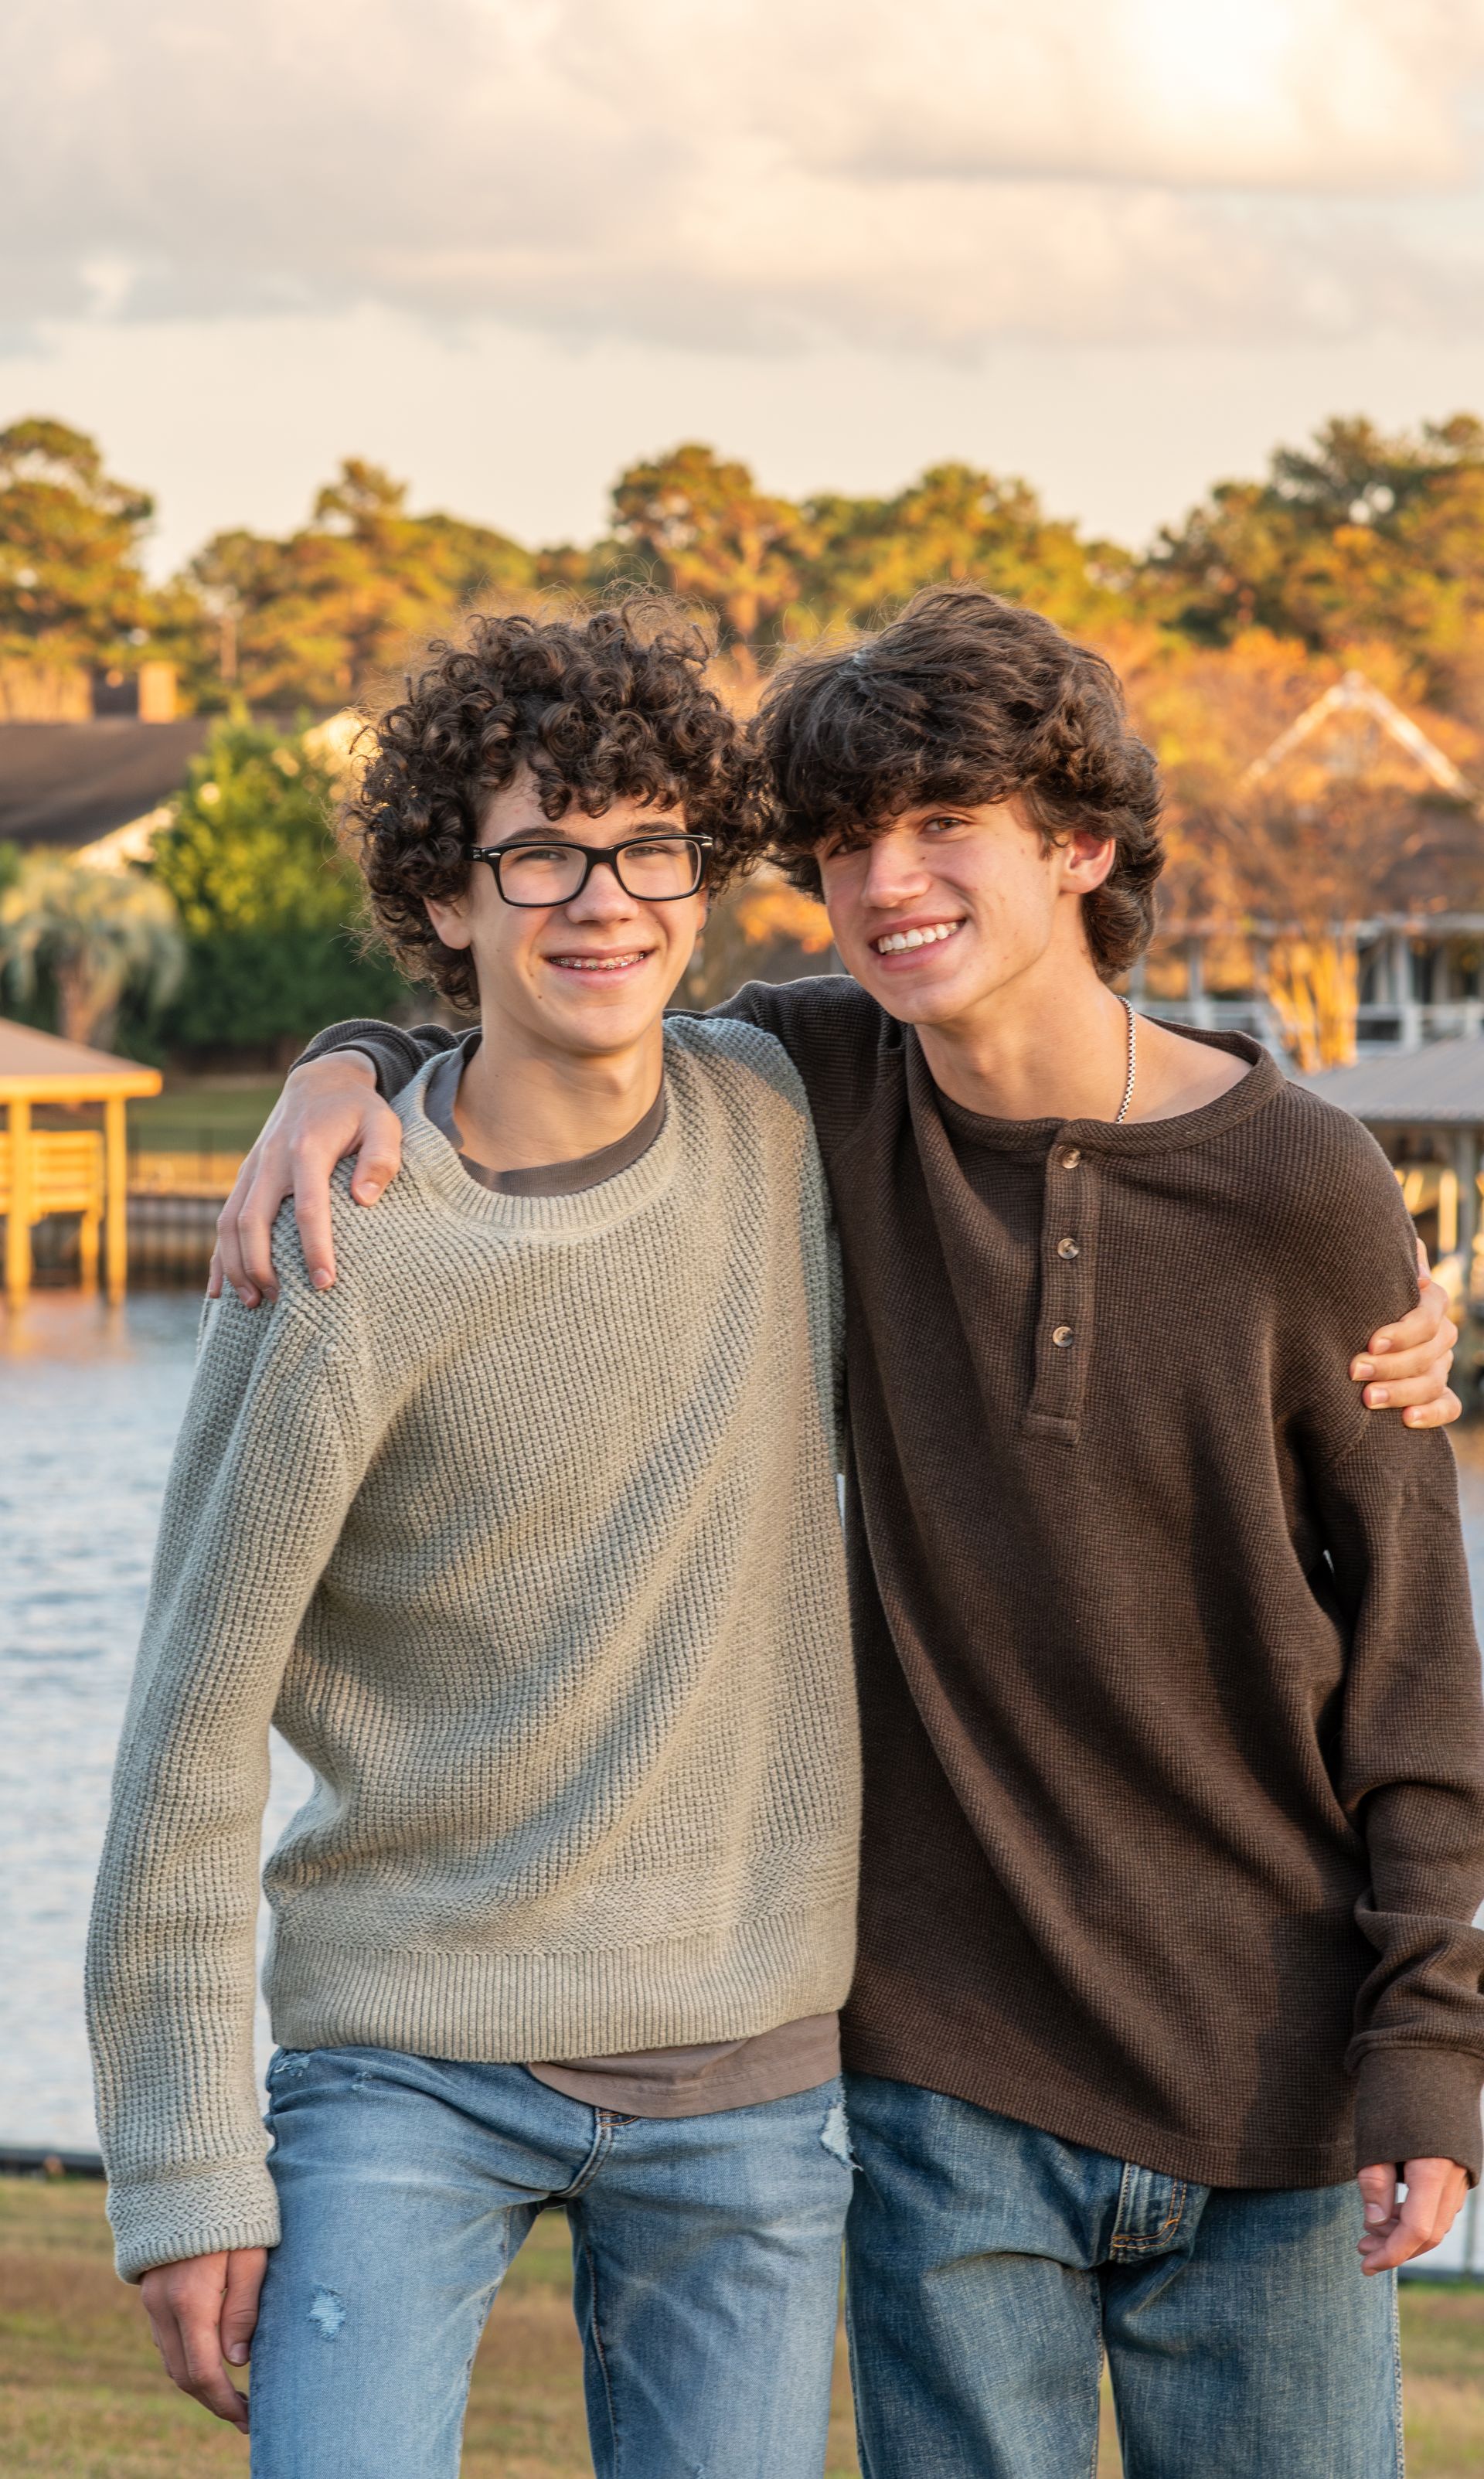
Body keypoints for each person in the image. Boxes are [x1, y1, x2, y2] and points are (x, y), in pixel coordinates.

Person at [236, 585, 1481, 2479]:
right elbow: (554, 1005)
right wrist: (338, 1066)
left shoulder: (1307, 1189)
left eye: (943, 825)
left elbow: (1414, 1667)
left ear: (1079, 846)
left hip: (1274, 2074)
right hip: (935, 2078)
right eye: (840, 844)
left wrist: (1426, 2043)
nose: (883, 879)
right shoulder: (808, 1088)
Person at [86, 604, 863, 2479]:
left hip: (751, 2068)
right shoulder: (348, 1247)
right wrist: (185, 2163)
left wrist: (1352, 1255)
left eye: (652, 847)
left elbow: (1069, 1057)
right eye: (540, 854)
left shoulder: (787, 1114)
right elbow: (192, 1729)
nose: (604, 902)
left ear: (706, 879)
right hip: (407, 2063)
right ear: (449, 898)